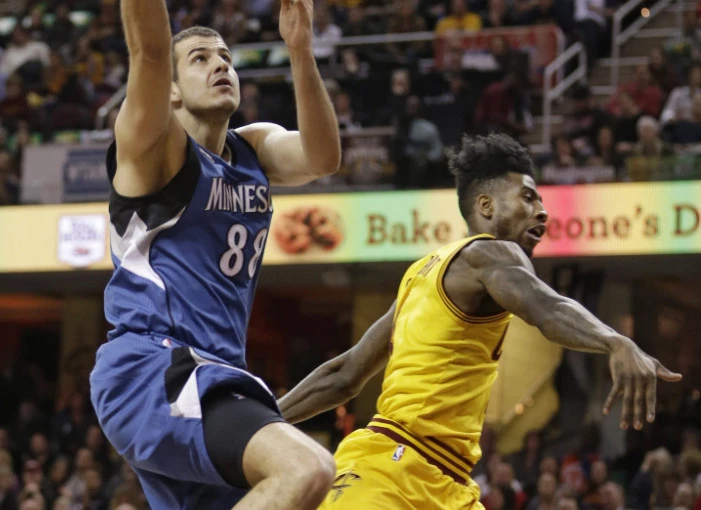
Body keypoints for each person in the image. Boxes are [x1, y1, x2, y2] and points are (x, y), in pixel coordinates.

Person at [278, 133, 682, 509]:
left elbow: (344, 375)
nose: (542, 212)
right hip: (391, 469)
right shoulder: (490, 253)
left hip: (450, 483)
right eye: (528, 198)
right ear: (486, 206)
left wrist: (266, 418)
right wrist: (615, 341)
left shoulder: (421, 272)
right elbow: (548, 308)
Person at [88, 0, 342, 506]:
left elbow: (323, 157)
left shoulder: (254, 149)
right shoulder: (155, 151)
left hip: (218, 371)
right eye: (200, 58)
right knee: (308, 469)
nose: (221, 65)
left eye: (226, 57)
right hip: (152, 368)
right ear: (172, 90)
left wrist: (299, 50)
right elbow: (150, 52)